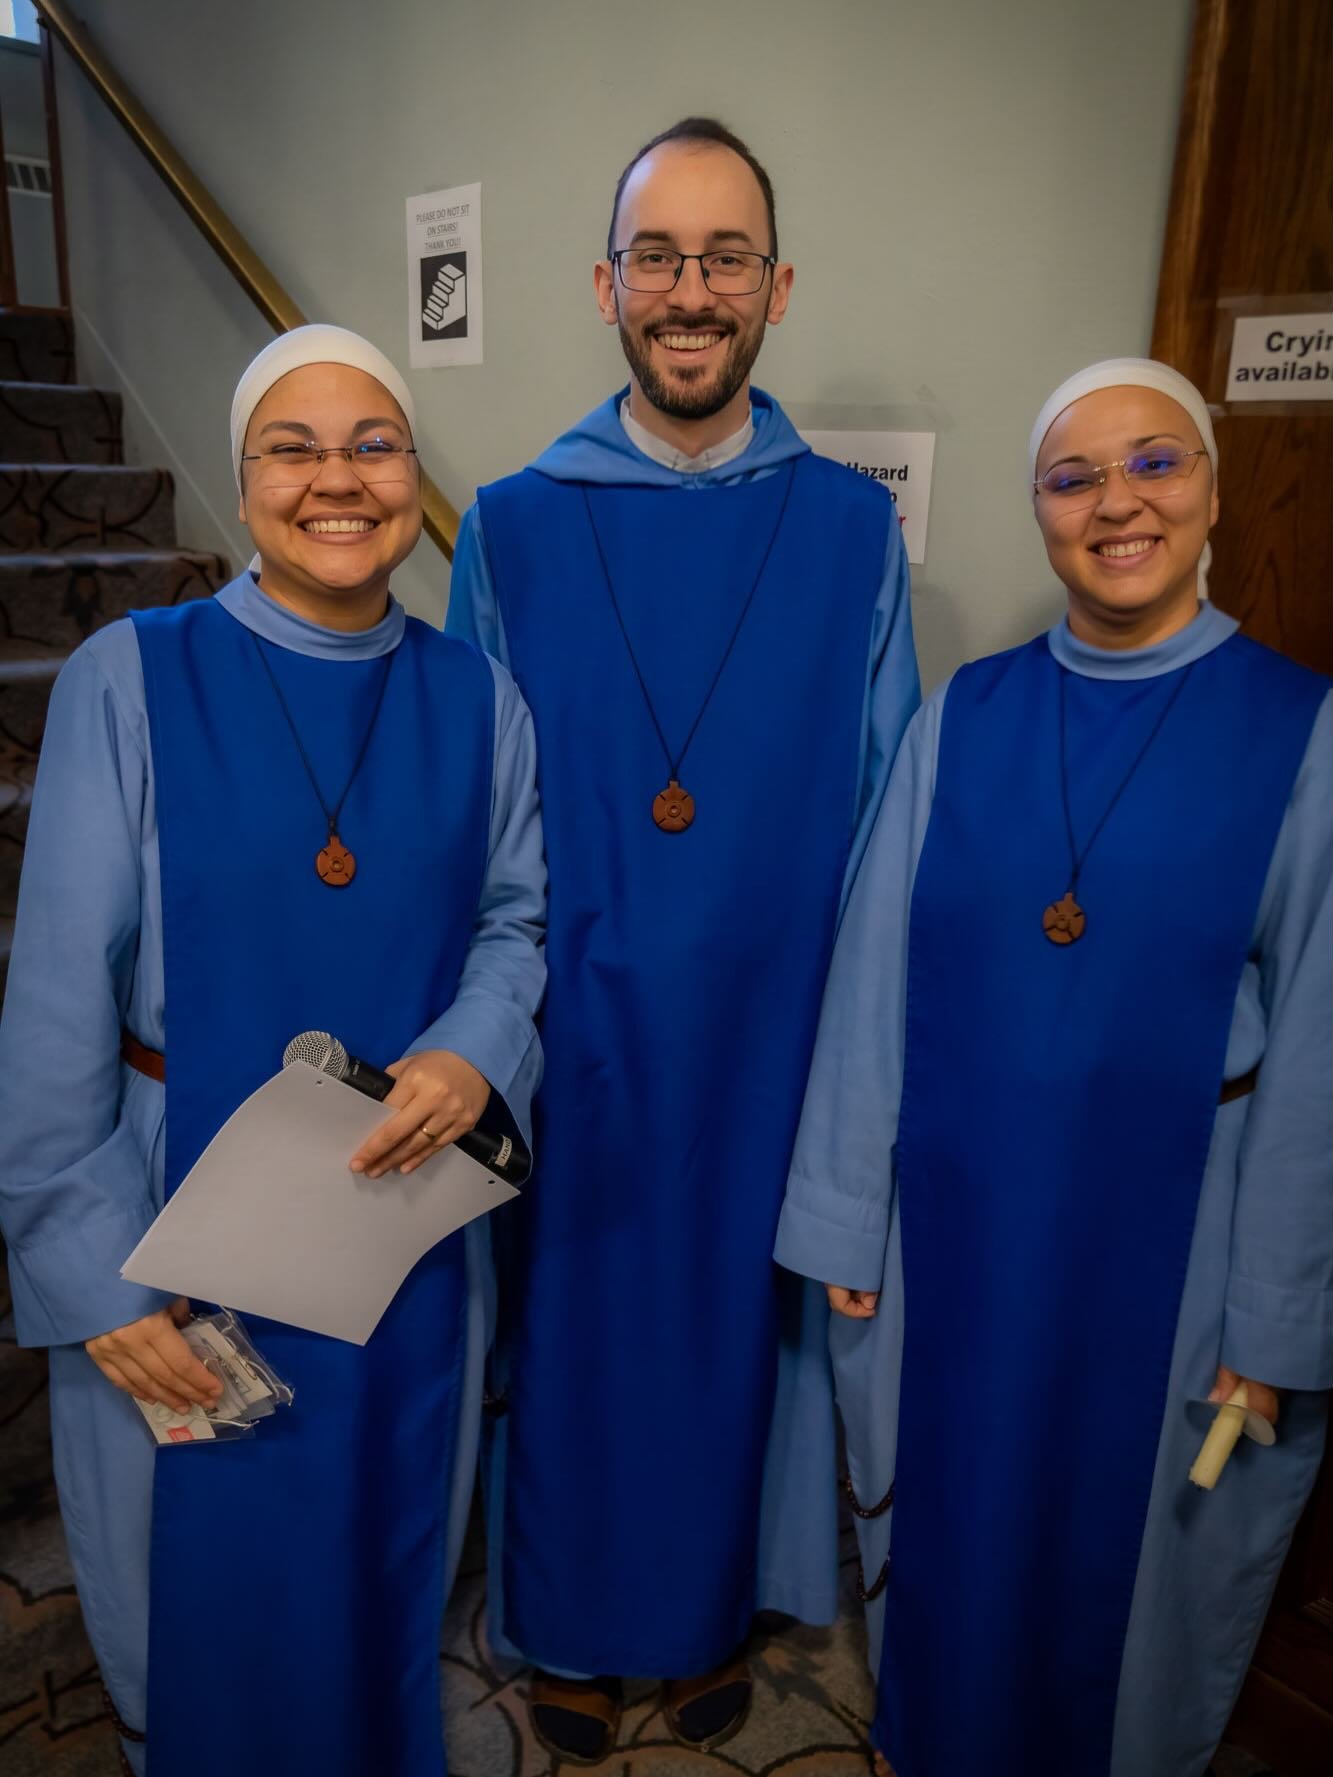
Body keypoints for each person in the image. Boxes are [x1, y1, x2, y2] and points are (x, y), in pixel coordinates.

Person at [0, 324, 546, 1777]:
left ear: (412, 477)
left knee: (382, 1557)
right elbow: (59, 993)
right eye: (292, 449)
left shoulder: (477, 697)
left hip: (398, 1211)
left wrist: (474, 1049)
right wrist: (85, 1257)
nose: (337, 479)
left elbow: (516, 919)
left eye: (372, 443)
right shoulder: (131, 676)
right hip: (174, 1215)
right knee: (193, 1607)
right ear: (244, 487)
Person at [776, 357, 1331, 1777]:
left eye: (1154, 463)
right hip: (956, 1216)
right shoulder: (964, 715)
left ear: (1209, 491)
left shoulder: (1301, 733)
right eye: (1071, 475)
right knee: (954, 1515)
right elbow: (870, 975)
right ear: (1036, 509)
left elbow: (1320, 1059)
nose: (1115, 502)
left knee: (1130, 1562)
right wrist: (846, 1207)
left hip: (1174, 1231)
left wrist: (1270, 1322)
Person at [446, 116, 919, 1760]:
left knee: (734, 1316)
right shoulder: (508, 523)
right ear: (606, 285)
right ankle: (563, 1620)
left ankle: (714, 1601)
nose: (690, 290)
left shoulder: (853, 532)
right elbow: (474, 797)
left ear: (775, 288)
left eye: (725, 258)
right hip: (571, 1011)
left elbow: (879, 809)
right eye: (659, 256)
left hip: (773, 1024)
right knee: (573, 1322)